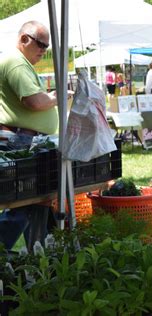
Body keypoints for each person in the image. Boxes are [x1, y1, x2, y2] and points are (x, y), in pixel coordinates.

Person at [0, 21, 71, 250]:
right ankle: (5, 250)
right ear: (24, 39)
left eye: (46, 46)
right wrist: (57, 96)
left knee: (39, 197)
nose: (43, 50)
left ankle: (36, 252)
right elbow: (34, 102)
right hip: (18, 141)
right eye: (40, 44)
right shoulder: (15, 62)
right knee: (23, 200)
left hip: (25, 140)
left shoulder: (21, 63)